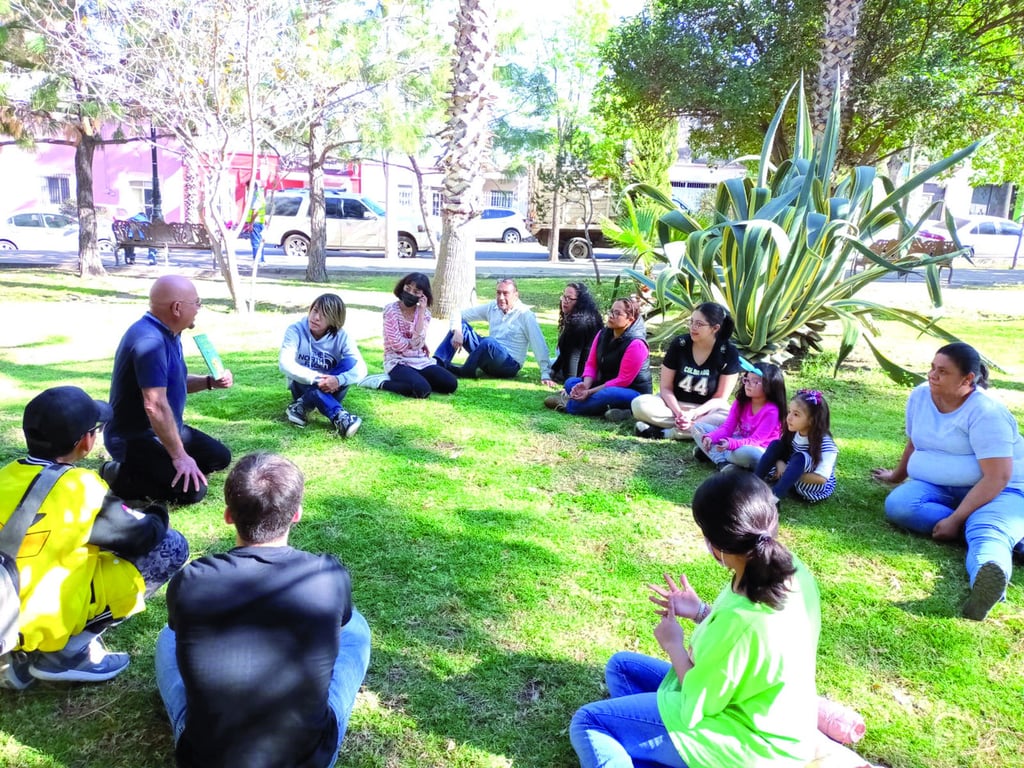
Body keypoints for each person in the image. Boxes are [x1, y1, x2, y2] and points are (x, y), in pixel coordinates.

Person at [569, 472, 821, 768]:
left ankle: (658, 750)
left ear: (717, 545)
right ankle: (650, 750)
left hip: (749, 745)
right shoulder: (789, 569)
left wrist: (673, 644)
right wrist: (701, 611)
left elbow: (699, 702)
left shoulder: (742, 622)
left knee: (589, 722)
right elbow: (743, 652)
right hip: (763, 715)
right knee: (623, 668)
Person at [155, 452, 371, 768]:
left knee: (167, 637)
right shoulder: (328, 576)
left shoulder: (190, 580)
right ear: (296, 514)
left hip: (206, 760)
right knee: (356, 628)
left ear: (228, 515)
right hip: (307, 759)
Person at [0, 386, 188, 689]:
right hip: (44, 612)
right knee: (170, 545)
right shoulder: (80, 486)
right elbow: (141, 535)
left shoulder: (5, 474)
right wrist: (156, 512)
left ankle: (18, 653)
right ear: (86, 441)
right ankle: (66, 654)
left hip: (5, 603)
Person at [872, 342, 1024, 621]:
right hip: (940, 487)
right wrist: (896, 476)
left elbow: (998, 476)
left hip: (1002, 490)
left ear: (968, 379)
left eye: (942, 372)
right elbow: (915, 441)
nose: (932, 375)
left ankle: (987, 575)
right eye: (932, 368)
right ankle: (1005, 535)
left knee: (986, 529)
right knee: (900, 505)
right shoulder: (920, 397)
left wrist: (955, 520)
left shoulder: (987, 413)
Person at [104, 275, 233, 506]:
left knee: (219, 457)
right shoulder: (149, 341)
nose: (198, 309)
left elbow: (175, 382)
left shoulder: (170, 332)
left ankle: (159, 464)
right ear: (177, 308)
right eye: (197, 302)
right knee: (194, 492)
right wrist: (180, 456)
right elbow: (154, 404)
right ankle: (118, 473)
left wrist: (208, 382)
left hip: (162, 429)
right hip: (134, 439)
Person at [632, 302, 740, 440]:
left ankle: (666, 433)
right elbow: (665, 388)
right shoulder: (680, 344)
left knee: (730, 419)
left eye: (699, 324)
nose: (693, 327)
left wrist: (694, 413)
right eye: (691, 322)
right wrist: (679, 413)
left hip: (706, 411)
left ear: (715, 328)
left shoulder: (729, 352)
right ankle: (693, 430)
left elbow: (720, 398)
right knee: (639, 404)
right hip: (672, 406)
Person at [545, 297, 652, 417]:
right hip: (605, 384)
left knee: (607, 394)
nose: (611, 315)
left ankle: (569, 405)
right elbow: (591, 364)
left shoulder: (636, 344)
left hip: (632, 391)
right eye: (611, 311)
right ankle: (619, 411)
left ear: (630, 319)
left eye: (617, 313)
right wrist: (585, 385)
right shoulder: (602, 334)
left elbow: (623, 380)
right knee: (571, 383)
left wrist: (589, 392)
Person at [434, 278, 555, 384]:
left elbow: (538, 343)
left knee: (489, 342)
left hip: (509, 364)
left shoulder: (525, 315)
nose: (501, 298)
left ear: (516, 295)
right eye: (498, 293)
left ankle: (465, 371)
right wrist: (457, 332)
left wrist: (545, 373)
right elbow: (458, 314)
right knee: (461, 326)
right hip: (488, 355)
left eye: (505, 293)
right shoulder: (492, 307)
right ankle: (437, 364)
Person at [280, 293, 367, 438]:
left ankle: (300, 406)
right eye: (315, 310)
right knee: (314, 387)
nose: (316, 317)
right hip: (303, 386)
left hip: (333, 388)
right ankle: (340, 417)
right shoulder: (295, 330)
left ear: (334, 319)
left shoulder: (342, 336)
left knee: (350, 362)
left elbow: (361, 369)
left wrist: (339, 380)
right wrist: (317, 378)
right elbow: (285, 363)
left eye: (324, 315)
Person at [359, 273, 458, 398]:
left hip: (420, 360)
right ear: (402, 287)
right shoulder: (391, 310)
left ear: (423, 295)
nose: (410, 293)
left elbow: (419, 342)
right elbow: (397, 345)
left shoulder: (425, 314)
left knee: (450, 384)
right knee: (422, 390)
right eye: (407, 288)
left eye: (416, 291)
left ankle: (415, 380)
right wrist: (413, 343)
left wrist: (421, 312)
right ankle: (381, 382)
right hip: (397, 361)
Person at [692, 362, 787, 471]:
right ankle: (723, 463)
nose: (748, 384)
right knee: (698, 428)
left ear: (770, 385)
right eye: (746, 379)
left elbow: (756, 440)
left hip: (758, 448)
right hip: (738, 439)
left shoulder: (772, 411)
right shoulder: (741, 402)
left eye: (755, 381)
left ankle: (711, 453)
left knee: (748, 453)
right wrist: (711, 437)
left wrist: (731, 444)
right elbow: (727, 428)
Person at [755, 389, 838, 503]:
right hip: (789, 476)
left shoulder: (827, 445)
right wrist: (780, 464)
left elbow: (821, 479)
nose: (789, 417)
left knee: (801, 457)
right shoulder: (793, 431)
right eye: (789, 412)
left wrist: (791, 474)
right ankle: (753, 484)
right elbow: (783, 451)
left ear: (812, 420)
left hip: (810, 485)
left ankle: (774, 499)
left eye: (796, 414)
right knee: (776, 444)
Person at [549, 282, 603, 384]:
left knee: (549, 365)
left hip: (583, 373)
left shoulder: (578, 324)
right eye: (564, 297)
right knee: (549, 363)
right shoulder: (589, 316)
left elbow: (573, 356)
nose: (565, 301)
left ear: (580, 302)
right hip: (589, 370)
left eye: (570, 298)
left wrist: (570, 383)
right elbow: (567, 352)